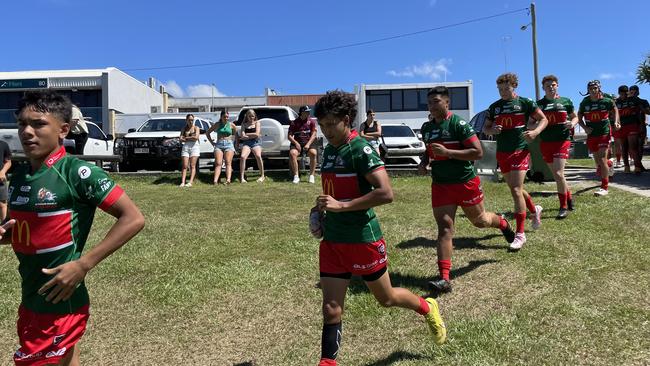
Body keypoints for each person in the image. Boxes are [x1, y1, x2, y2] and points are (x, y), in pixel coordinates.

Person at [0, 90, 144, 366]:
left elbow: (133, 218)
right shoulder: (19, 177)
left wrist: (83, 264)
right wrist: (4, 234)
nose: (27, 131)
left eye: (38, 124)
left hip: (60, 301)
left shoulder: (76, 173)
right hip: (32, 297)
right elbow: (25, 232)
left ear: (63, 130)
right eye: (21, 124)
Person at [313, 90, 446, 366]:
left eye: (330, 124)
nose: (326, 131)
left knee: (386, 298)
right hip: (333, 241)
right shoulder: (329, 151)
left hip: (363, 239)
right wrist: (320, 210)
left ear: (346, 119)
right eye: (322, 125)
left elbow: (386, 193)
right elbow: (333, 192)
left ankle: (426, 306)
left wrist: (342, 206)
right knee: (331, 309)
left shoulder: (360, 148)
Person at [419, 86, 516, 294]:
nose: (432, 106)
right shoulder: (427, 128)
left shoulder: (459, 124)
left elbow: (478, 152)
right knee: (445, 228)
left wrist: (448, 152)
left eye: (436, 101)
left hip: (465, 183)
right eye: (429, 103)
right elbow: (428, 150)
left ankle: (503, 223)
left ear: (447, 103)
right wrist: (424, 161)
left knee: (480, 221)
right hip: (441, 185)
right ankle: (444, 278)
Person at [482, 73, 547, 250]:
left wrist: (535, 132)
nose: (503, 92)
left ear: (514, 86)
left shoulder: (525, 103)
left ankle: (520, 234)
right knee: (515, 189)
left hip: (520, 151)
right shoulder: (494, 107)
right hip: (502, 152)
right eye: (500, 89)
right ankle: (535, 210)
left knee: (517, 190)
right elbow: (485, 128)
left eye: (506, 89)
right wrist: (493, 130)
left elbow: (543, 119)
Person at [536, 75, 578, 219]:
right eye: (548, 86)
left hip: (562, 141)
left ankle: (563, 206)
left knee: (559, 173)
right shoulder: (539, 104)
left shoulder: (566, 101)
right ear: (543, 88)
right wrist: (535, 128)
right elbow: (530, 122)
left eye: (553, 85)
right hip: (546, 142)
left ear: (557, 86)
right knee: (557, 175)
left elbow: (575, 117)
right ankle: (569, 197)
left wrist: (572, 123)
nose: (551, 87)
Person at [577, 80, 620, 196]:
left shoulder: (606, 100)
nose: (593, 90)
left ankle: (604, 187)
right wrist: (585, 127)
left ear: (599, 88)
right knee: (598, 162)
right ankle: (609, 164)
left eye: (595, 88)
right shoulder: (584, 102)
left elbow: (615, 109)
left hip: (604, 133)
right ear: (588, 90)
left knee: (601, 160)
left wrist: (616, 122)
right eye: (591, 88)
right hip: (592, 134)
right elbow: (579, 117)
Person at [615, 85, 643, 174]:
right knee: (624, 147)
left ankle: (637, 167)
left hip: (633, 125)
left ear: (628, 92)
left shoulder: (634, 99)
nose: (623, 95)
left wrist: (641, 124)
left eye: (625, 93)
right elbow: (612, 114)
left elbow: (642, 110)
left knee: (633, 147)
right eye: (621, 93)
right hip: (621, 127)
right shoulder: (616, 102)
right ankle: (626, 167)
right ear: (619, 93)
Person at [207, 110, 237, 185]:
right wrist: (212, 142)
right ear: (221, 117)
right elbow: (207, 132)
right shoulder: (217, 124)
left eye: (227, 117)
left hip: (229, 144)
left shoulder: (231, 125)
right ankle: (215, 181)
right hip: (219, 144)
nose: (226, 118)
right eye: (224, 117)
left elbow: (236, 135)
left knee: (228, 162)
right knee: (218, 163)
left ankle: (228, 180)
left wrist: (235, 145)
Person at [288, 105, 318, 184]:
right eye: (307, 111)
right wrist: (296, 143)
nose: (309, 113)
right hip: (297, 143)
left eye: (309, 111)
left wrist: (308, 144)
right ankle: (296, 176)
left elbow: (314, 134)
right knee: (292, 153)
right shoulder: (294, 122)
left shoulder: (311, 121)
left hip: (308, 142)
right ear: (302, 113)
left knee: (313, 153)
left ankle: (312, 176)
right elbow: (289, 136)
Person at [238, 109, 265, 183]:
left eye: (252, 116)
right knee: (243, 157)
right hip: (246, 143)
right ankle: (242, 177)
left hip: (256, 143)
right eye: (249, 116)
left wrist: (247, 134)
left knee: (258, 155)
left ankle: (262, 176)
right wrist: (253, 135)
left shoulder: (257, 123)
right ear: (247, 116)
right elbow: (242, 135)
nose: (251, 118)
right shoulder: (244, 124)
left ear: (255, 116)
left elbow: (257, 134)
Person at [629, 85, 650, 171]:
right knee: (632, 146)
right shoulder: (626, 102)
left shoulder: (643, 101)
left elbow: (648, 112)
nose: (633, 93)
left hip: (641, 125)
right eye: (631, 91)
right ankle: (637, 165)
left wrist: (641, 107)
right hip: (630, 126)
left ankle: (639, 165)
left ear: (638, 92)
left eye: (635, 91)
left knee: (640, 146)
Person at [179, 114, 200, 187]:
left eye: (192, 120)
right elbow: (180, 139)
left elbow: (196, 137)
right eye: (189, 120)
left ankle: (190, 182)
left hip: (194, 147)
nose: (191, 121)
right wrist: (191, 137)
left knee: (192, 165)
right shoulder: (183, 129)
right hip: (186, 147)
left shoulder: (196, 128)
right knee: (184, 165)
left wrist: (186, 137)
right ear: (186, 120)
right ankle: (182, 182)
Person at [0, 139, 12, 222]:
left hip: (0, 178)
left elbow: (8, 162)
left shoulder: (3, 144)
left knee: (2, 203)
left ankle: (4, 227)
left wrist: (3, 171)